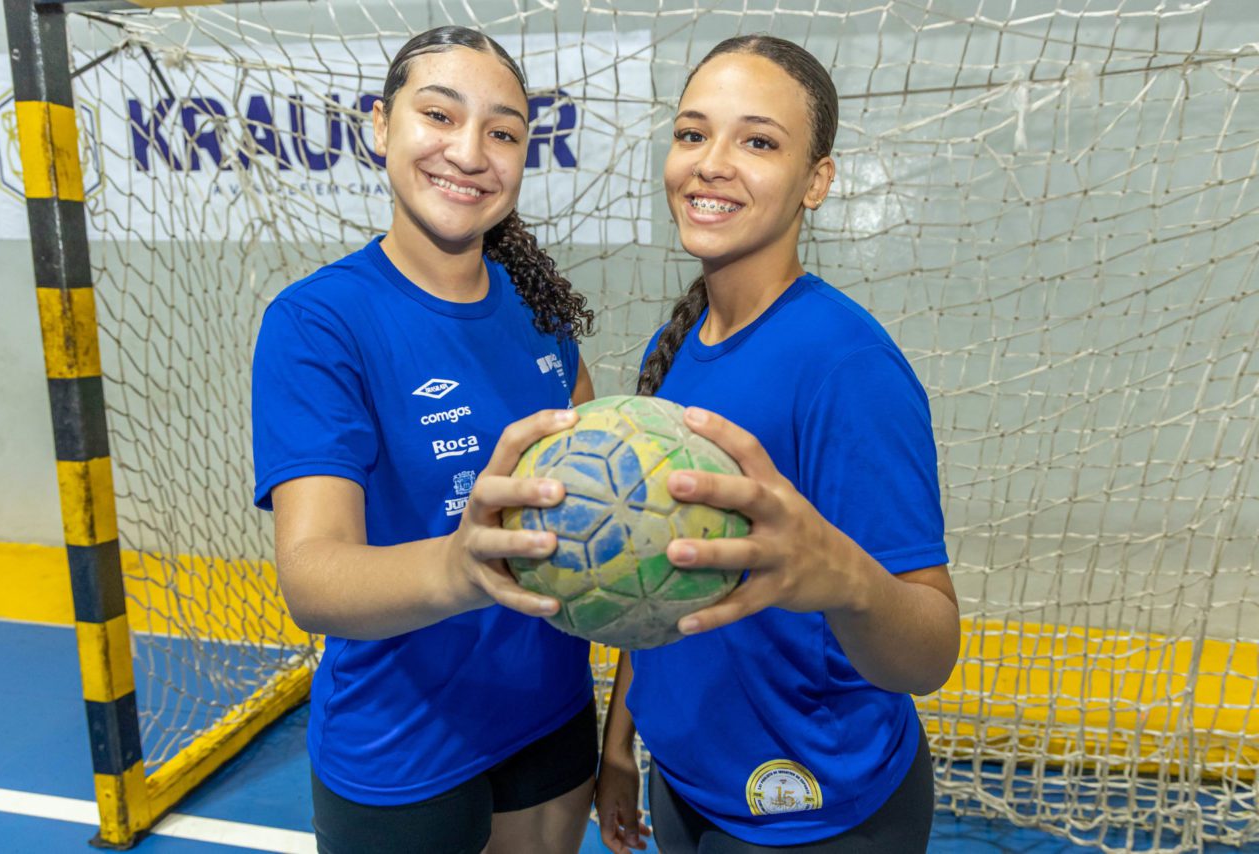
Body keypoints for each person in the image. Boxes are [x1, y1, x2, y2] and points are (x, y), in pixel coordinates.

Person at [595, 35, 960, 853]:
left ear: (816, 182)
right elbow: (654, 571)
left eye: (758, 141)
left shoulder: (846, 367)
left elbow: (931, 650)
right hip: (685, 780)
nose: (711, 163)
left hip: (816, 808)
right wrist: (621, 745)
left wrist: (847, 578)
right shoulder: (678, 339)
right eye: (693, 134)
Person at [251, 26, 599, 854]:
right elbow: (313, 579)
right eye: (439, 115)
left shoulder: (539, 309)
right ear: (380, 126)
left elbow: (591, 491)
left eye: (503, 132)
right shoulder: (317, 323)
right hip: (400, 743)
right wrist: (461, 564)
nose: (470, 152)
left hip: (551, 714)